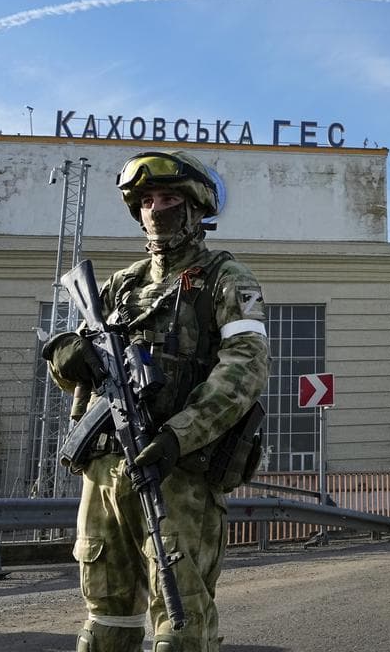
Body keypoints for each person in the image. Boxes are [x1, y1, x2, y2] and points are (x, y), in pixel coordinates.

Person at [43, 150, 270, 652]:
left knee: (181, 625)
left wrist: (178, 436)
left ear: (194, 209)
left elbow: (244, 370)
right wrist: (69, 357)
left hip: (178, 471)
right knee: (105, 622)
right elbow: (71, 363)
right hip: (106, 471)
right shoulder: (122, 285)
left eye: (168, 198)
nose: (155, 209)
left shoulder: (226, 279)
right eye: (146, 200)